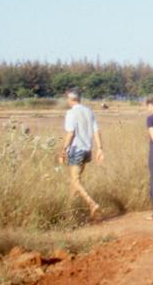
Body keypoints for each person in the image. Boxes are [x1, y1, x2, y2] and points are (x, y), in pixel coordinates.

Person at [59, 89, 103, 219]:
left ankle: (92, 204)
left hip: (76, 149)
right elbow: (96, 131)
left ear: (70, 99)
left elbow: (71, 133)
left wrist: (63, 151)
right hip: (87, 150)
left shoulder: (71, 113)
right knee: (75, 183)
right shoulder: (89, 111)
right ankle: (69, 213)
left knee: (75, 181)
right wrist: (100, 148)